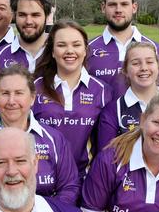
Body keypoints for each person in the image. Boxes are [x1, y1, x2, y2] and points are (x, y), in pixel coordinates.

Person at [0, 65, 79, 207]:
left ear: (32, 98)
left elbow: (69, 188)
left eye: (19, 93)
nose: (11, 101)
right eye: (5, 93)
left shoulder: (53, 139)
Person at [32, 20, 112, 177]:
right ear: (53, 52)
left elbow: (105, 146)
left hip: (85, 180)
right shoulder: (34, 88)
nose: (70, 51)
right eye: (62, 45)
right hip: (41, 182)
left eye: (76, 45)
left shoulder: (103, 92)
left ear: (85, 50)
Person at [87, 0, 159, 97]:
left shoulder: (154, 49)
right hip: (103, 116)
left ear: (134, 7)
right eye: (112, 4)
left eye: (124, 4)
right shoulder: (87, 49)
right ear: (103, 7)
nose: (118, 9)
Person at [97, 41, 159, 149]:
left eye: (149, 62)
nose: (144, 68)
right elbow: (105, 158)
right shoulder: (112, 111)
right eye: (136, 63)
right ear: (125, 70)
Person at [0, 0, 51, 73]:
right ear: (14, 16)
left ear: (46, 17)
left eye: (35, 15)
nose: (28, 21)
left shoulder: (58, 53)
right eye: (22, 15)